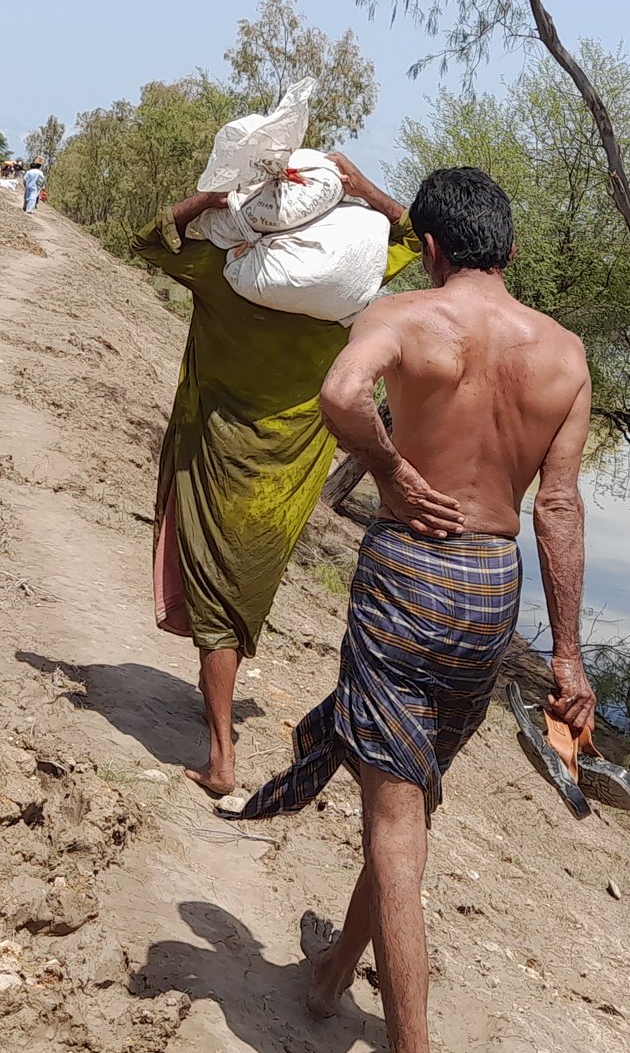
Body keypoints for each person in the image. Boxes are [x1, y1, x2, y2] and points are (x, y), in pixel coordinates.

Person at [233, 165, 594, 1053]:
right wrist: (564, 657)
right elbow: (557, 511)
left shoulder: (403, 315)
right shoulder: (562, 354)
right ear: (508, 251)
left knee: (395, 826)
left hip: (406, 577)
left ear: (428, 247)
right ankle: (334, 971)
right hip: (491, 593)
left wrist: (388, 468)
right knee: (407, 792)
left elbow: (340, 395)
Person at [134, 151, 418, 797]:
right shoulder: (350, 281)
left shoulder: (220, 274)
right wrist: (359, 183)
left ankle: (220, 755)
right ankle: (220, 713)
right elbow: (410, 232)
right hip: (292, 471)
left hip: (220, 453)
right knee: (241, 589)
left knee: (215, 597)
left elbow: (151, 239)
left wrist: (210, 200)